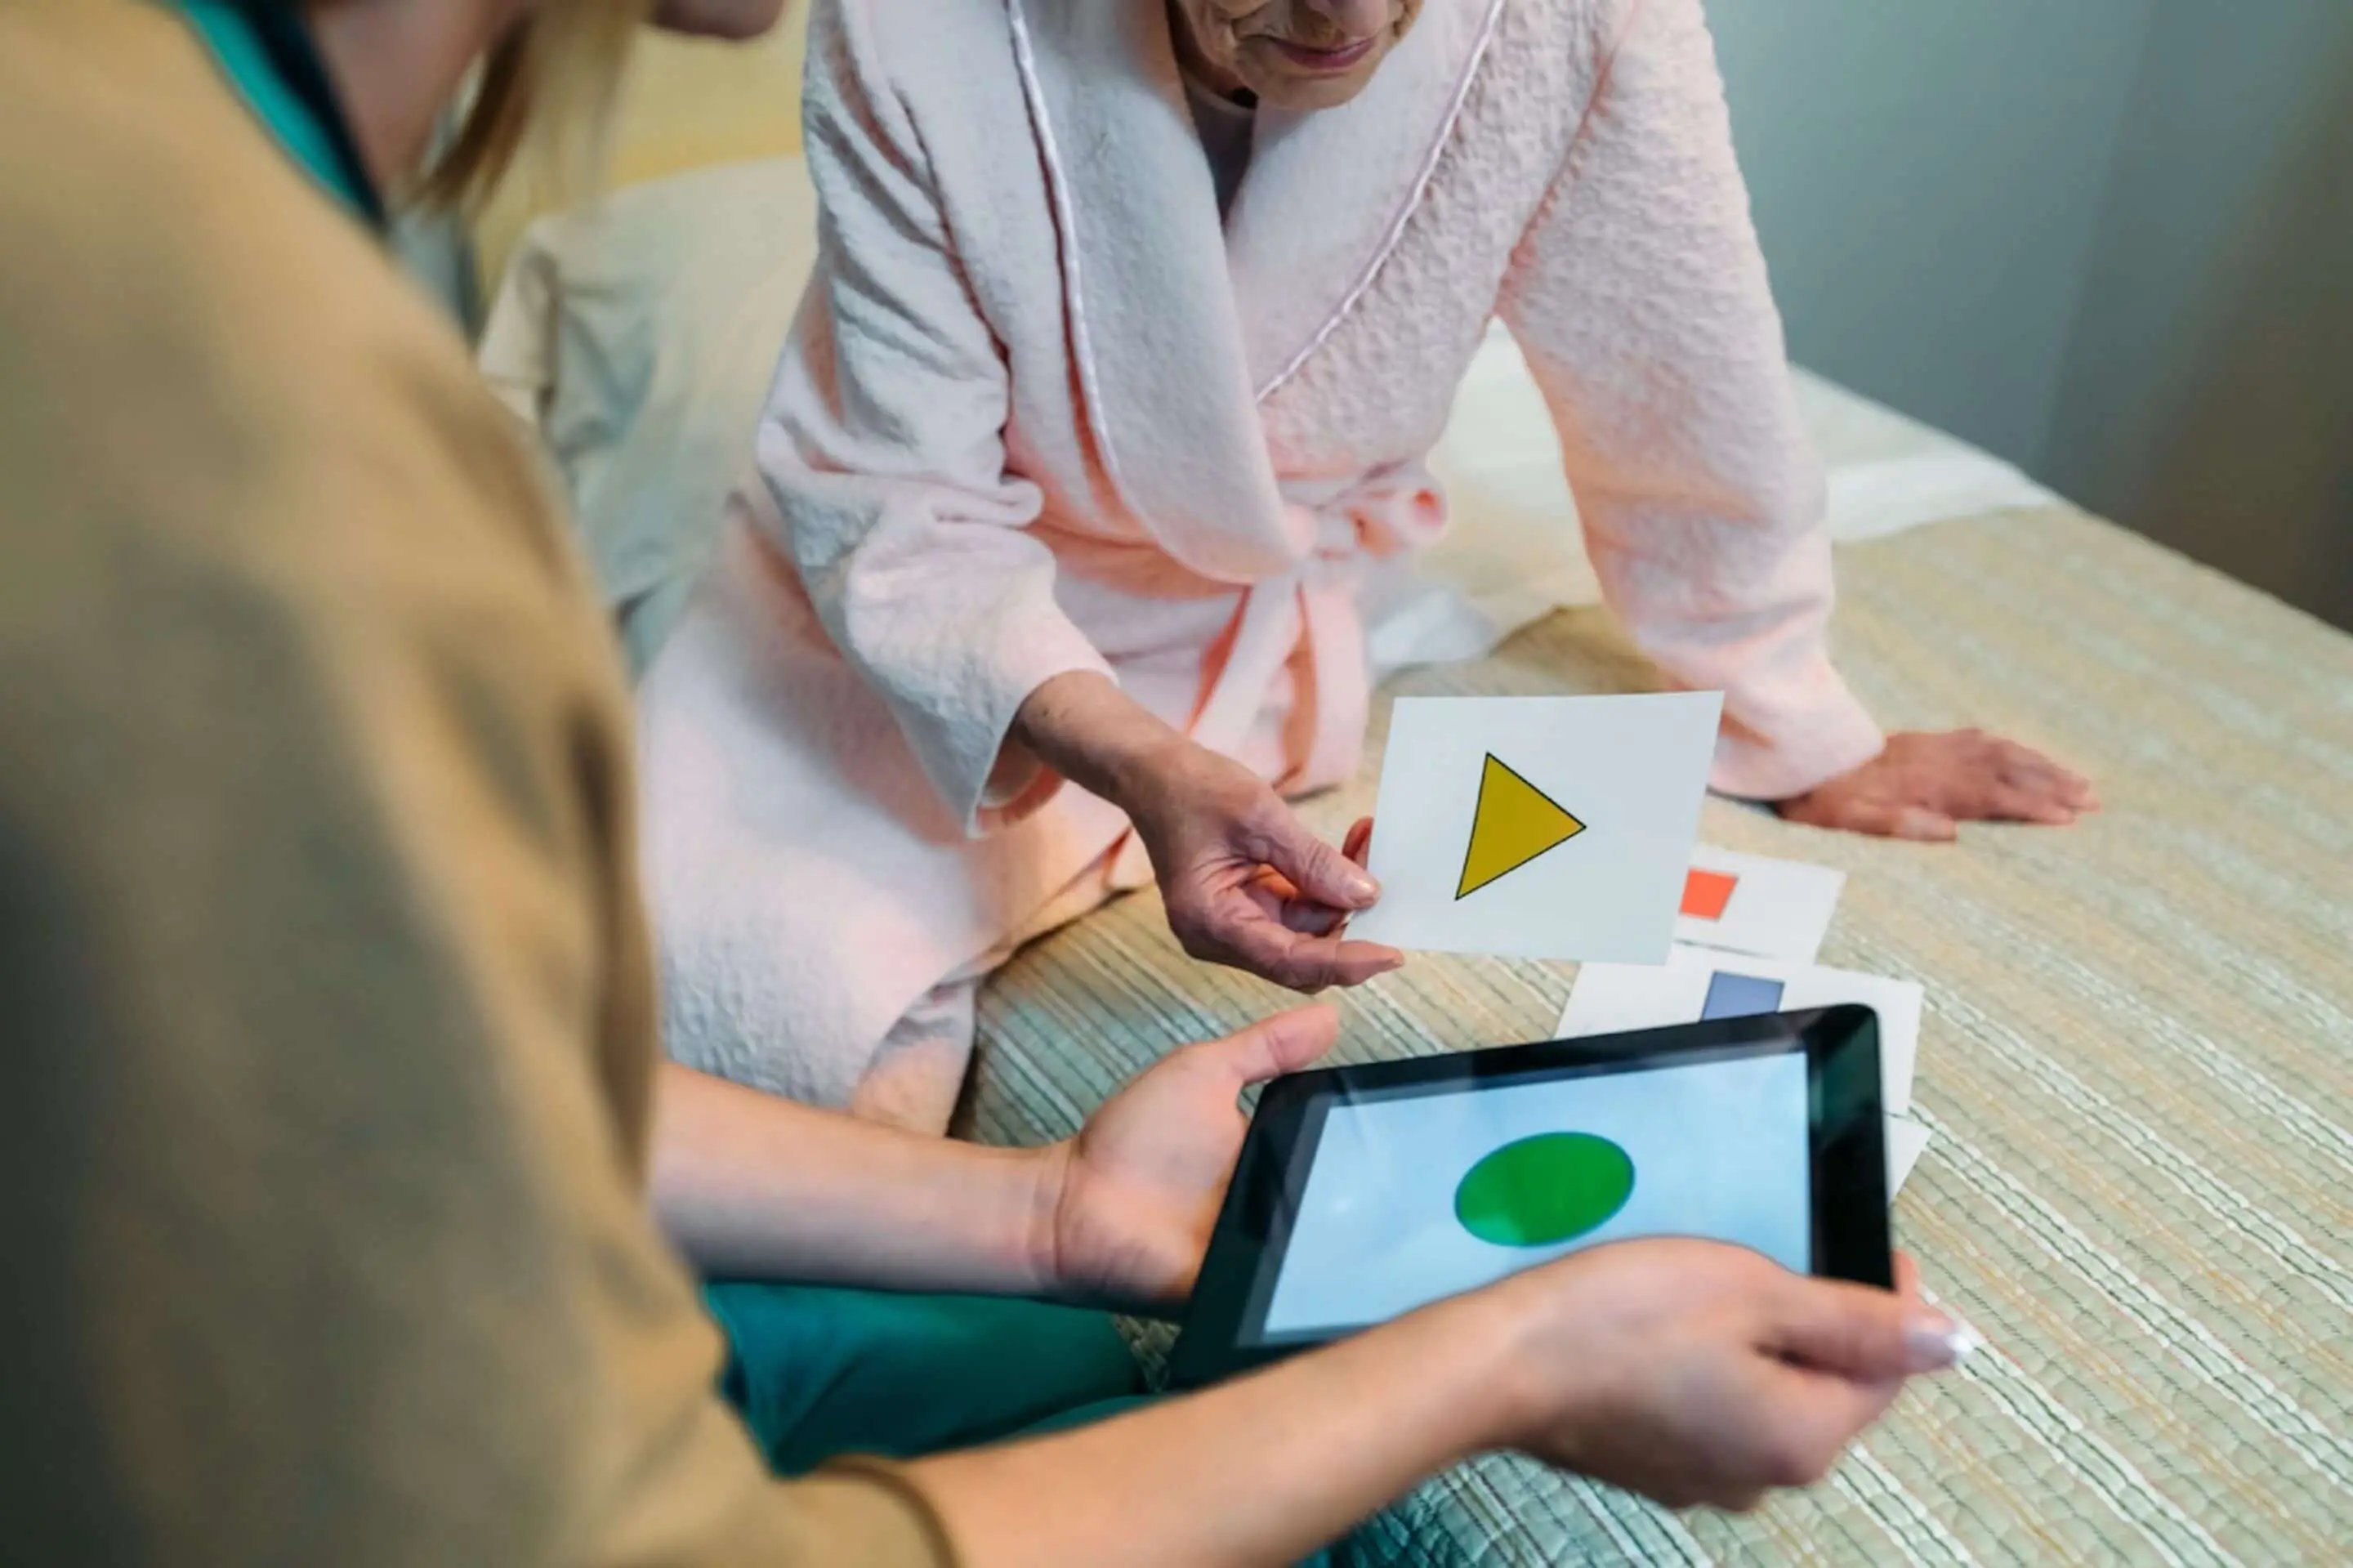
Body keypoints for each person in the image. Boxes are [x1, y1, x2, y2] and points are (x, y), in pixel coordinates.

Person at [2, 0, 1974, 1561]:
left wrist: (1047, 1213)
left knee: (1082, 1340)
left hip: (1209, 634)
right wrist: (1518, 1346)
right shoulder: (223, 389)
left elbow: (390, 1057)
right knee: (760, 955)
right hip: (919, 615)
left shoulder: (190, 183)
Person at [636, 0, 2102, 1124]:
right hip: (905, 609)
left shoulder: (1567, 19)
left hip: (1226, 614)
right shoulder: (920, 32)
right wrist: (1141, 763)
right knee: (726, 962)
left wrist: (1788, 710)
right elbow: (899, 501)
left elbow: (1682, 372)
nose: (1343, 18)